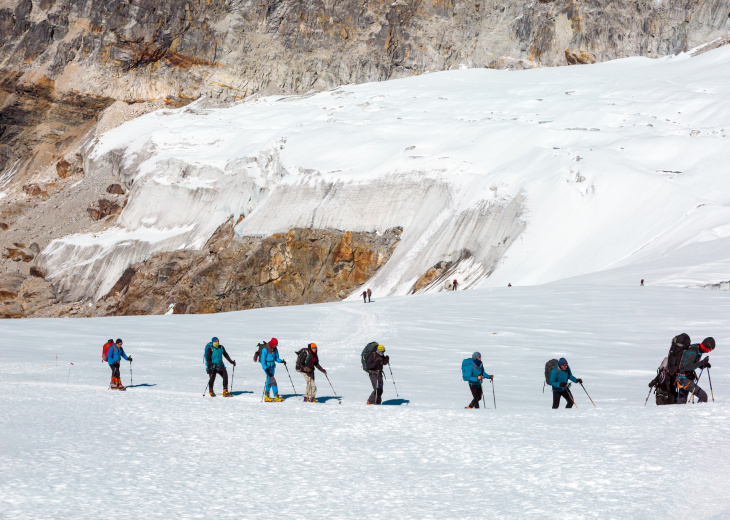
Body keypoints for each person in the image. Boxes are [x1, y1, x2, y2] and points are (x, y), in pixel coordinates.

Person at [676, 337, 714, 404]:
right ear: (706, 346)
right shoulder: (693, 352)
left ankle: (679, 414)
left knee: (682, 400)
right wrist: (701, 363)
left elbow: (692, 364)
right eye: (709, 349)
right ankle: (699, 413)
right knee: (703, 396)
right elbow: (687, 367)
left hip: (683, 378)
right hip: (684, 379)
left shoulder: (697, 349)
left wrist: (703, 365)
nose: (709, 351)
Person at [260, 337, 286, 402]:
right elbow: (262, 361)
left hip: (272, 367)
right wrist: (265, 368)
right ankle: (276, 396)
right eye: (274, 345)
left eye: (276, 345)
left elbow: (276, 358)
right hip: (267, 368)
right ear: (272, 343)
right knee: (273, 381)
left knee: (269, 382)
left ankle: (266, 396)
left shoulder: (275, 349)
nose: (275, 346)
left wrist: (281, 361)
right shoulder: (265, 349)